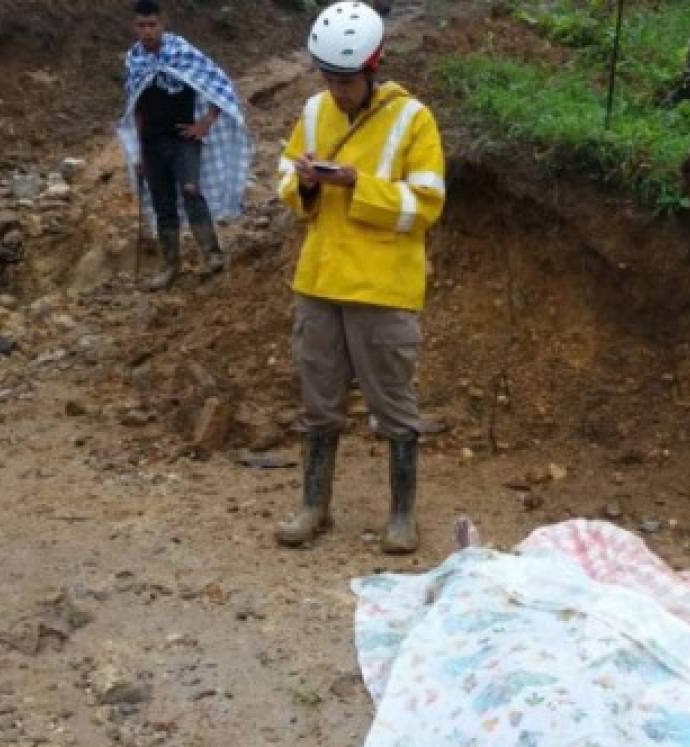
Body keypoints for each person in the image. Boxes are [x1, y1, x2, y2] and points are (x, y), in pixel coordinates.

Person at [274, 2, 446, 554]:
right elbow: (285, 177)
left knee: (394, 405)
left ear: (373, 68)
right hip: (319, 281)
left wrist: (356, 184)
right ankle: (313, 506)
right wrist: (303, 183)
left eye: (346, 80)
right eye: (328, 77)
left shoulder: (413, 119)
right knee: (318, 401)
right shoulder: (313, 110)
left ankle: (402, 516)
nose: (337, 90)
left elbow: (426, 204)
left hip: (381, 286)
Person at [118, 0, 252, 290]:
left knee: (191, 190)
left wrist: (206, 122)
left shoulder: (181, 53)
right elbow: (135, 107)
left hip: (183, 138)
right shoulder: (134, 60)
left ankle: (212, 255)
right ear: (134, 27)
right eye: (141, 26)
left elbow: (218, 85)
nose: (147, 31)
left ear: (162, 24)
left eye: (152, 25)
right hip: (152, 142)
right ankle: (170, 267)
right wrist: (138, 151)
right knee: (162, 202)